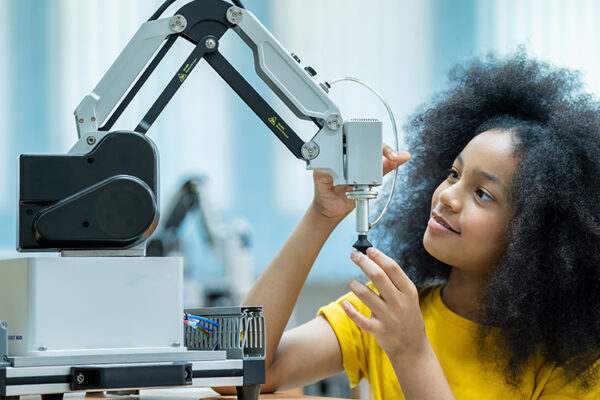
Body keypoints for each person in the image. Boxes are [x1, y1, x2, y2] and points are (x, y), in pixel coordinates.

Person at [220, 52, 600, 399]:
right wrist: (321, 215)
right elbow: (236, 372)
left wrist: (410, 349)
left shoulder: (575, 363)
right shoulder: (392, 310)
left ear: (536, 235)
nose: (448, 196)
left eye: (483, 194)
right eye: (453, 173)